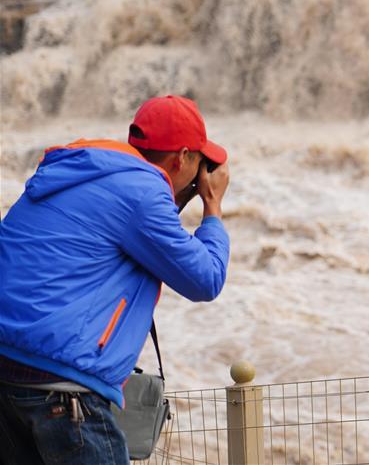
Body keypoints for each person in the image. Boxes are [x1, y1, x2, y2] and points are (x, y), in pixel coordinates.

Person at [0, 95, 231, 465]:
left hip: (8, 370)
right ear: (183, 158)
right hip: (62, 391)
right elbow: (206, 279)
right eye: (201, 162)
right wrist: (212, 208)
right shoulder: (142, 195)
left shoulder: (87, 172)